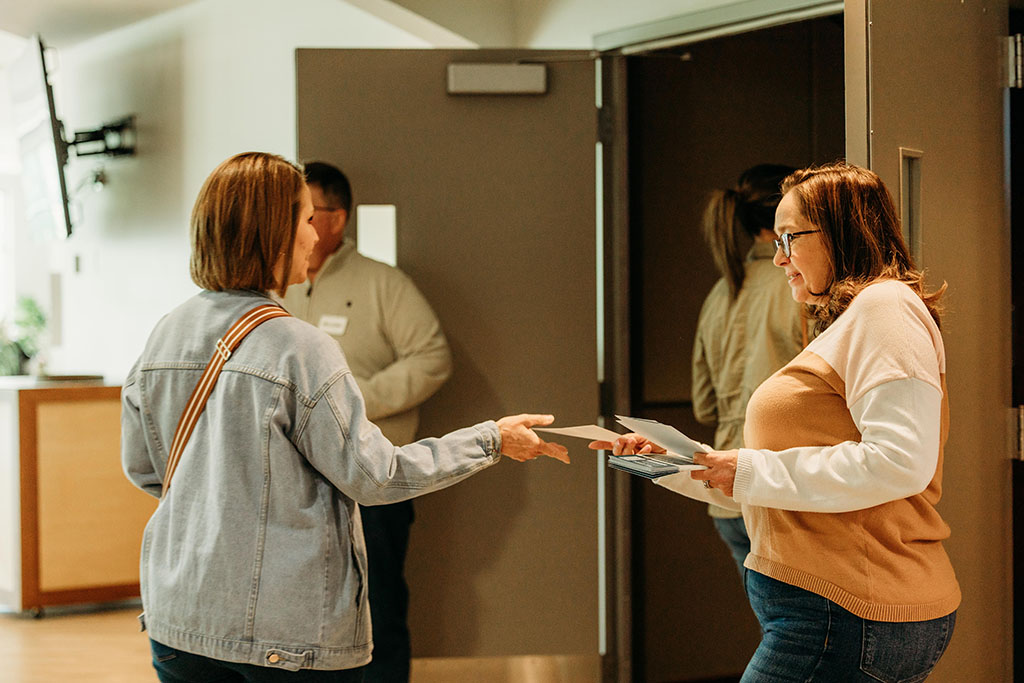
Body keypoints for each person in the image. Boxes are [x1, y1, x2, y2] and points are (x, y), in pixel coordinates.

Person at [121, 151, 569, 682]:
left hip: (178, 620)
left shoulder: (165, 334)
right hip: (283, 635)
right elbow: (376, 477)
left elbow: (144, 468)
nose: (314, 236)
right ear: (274, 232)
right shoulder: (299, 347)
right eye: (305, 219)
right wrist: (491, 439)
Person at [593, 162, 959, 682]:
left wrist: (743, 469)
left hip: (845, 611)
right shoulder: (855, 317)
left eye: (790, 238)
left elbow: (899, 462)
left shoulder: (885, 307)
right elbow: (780, 483)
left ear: (841, 232)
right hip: (830, 610)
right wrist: (673, 463)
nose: (779, 257)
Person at [281, 162, 445, 683]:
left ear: (336, 218)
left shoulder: (381, 283)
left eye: (308, 212)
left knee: (378, 605)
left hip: (372, 477)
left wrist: (354, 400)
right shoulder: (278, 284)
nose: (300, 224)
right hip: (297, 481)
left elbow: (432, 358)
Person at [691, 164, 805, 575]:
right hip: (780, 488)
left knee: (768, 611)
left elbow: (704, 407)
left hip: (725, 496)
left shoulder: (718, 295)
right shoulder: (800, 289)